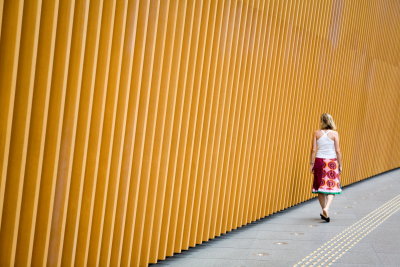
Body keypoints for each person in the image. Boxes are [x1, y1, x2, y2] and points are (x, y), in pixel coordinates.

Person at [310, 113, 342, 222]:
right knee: (332, 187)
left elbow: (313, 150)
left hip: (319, 161)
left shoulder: (316, 133)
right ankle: (327, 208)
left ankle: (323, 210)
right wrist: (340, 164)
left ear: (321, 121)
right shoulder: (335, 134)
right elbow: (337, 150)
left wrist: (311, 164)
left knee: (320, 188)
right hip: (331, 162)